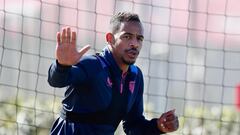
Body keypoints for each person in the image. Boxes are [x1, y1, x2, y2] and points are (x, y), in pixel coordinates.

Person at [48, 12, 179, 135]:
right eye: (127, 37)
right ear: (110, 39)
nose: (135, 44)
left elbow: (133, 125)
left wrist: (158, 126)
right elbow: (56, 81)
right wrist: (62, 65)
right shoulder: (92, 65)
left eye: (139, 39)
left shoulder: (135, 75)